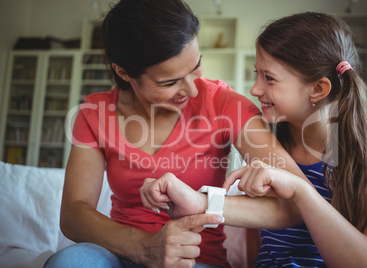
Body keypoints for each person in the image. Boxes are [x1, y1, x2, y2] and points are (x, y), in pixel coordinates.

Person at [44, 1, 308, 267]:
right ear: (123, 72)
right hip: (118, 253)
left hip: (197, 259)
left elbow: (297, 201)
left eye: (196, 67)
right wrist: (144, 247)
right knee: (69, 262)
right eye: (169, 82)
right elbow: (73, 214)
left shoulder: (225, 104)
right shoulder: (94, 114)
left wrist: (203, 202)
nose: (193, 91)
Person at [140, 12, 367, 267]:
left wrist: (300, 191)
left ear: (318, 89)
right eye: (256, 74)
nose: (254, 90)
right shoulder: (265, 153)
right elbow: (258, 243)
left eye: (269, 78)